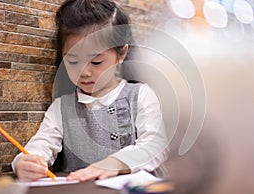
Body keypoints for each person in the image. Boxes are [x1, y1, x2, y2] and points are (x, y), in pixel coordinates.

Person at [11, 0, 169, 182]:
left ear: (122, 54)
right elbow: (42, 144)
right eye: (72, 61)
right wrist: (25, 162)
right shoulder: (62, 107)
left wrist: (115, 163)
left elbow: (155, 146)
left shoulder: (141, 95)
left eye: (96, 62)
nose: (84, 72)